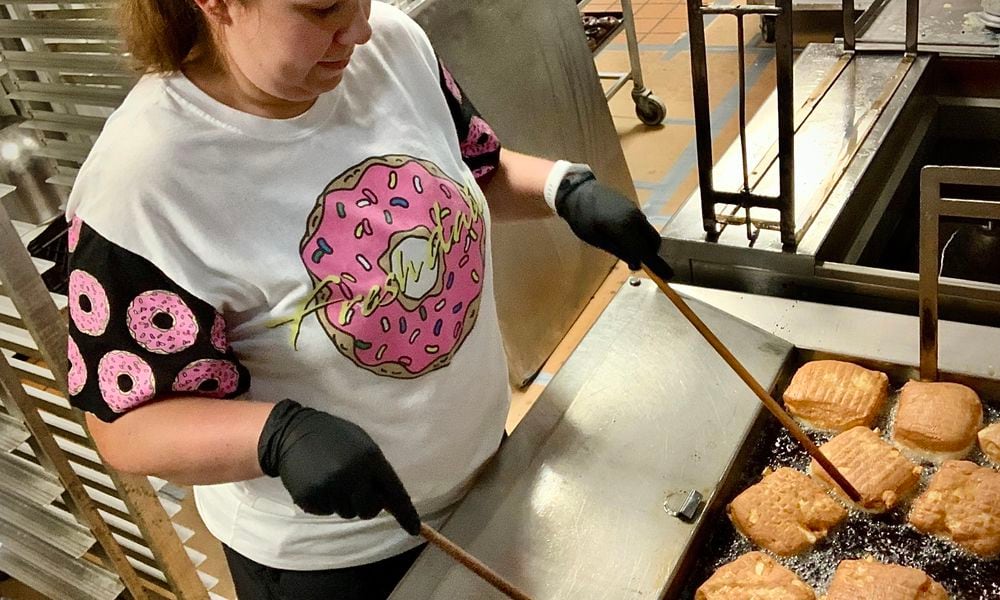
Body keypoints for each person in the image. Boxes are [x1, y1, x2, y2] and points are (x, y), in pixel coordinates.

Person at [65, 0, 673, 597]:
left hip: (487, 476)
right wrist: (276, 436)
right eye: (324, 8)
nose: (359, 29)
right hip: (339, 559)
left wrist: (561, 188)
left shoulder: (393, 45)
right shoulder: (141, 188)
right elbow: (125, 423)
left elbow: (471, 168)